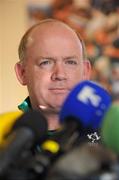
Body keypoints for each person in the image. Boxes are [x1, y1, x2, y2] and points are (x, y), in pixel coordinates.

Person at [15, 18, 91, 131]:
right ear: (22, 73)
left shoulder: (110, 138)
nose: (60, 75)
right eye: (45, 63)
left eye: (70, 62)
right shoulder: (6, 139)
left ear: (85, 72)